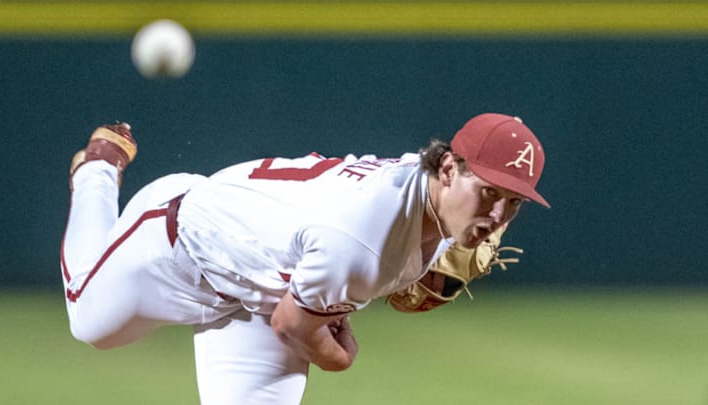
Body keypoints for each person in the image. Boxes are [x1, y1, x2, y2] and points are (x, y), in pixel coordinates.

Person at [60, 112, 550, 404]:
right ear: (448, 167)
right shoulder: (365, 239)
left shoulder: (430, 194)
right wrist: (339, 355)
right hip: (183, 245)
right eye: (489, 192)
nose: (499, 212)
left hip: (266, 294)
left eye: (514, 201)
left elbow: (310, 299)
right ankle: (98, 172)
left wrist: (334, 303)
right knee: (89, 323)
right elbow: (296, 327)